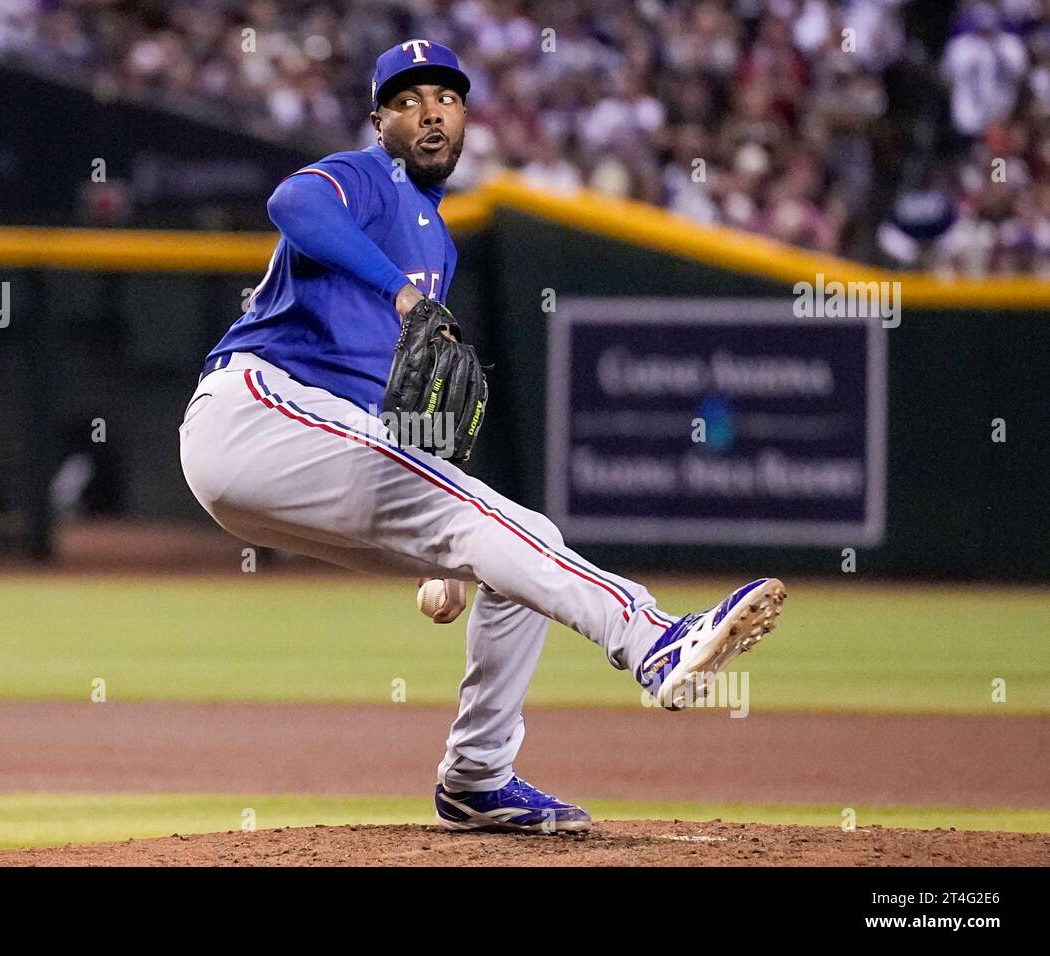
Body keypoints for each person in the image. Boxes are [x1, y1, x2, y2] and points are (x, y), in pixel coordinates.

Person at [178, 40, 787, 834]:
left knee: (520, 549)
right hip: (253, 408)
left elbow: (383, 402)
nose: (430, 110)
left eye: (447, 97)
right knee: (500, 529)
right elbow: (293, 206)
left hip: (310, 443)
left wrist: (444, 556)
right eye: (408, 98)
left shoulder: (439, 239)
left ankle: (477, 776)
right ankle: (654, 640)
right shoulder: (367, 179)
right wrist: (398, 292)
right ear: (379, 120)